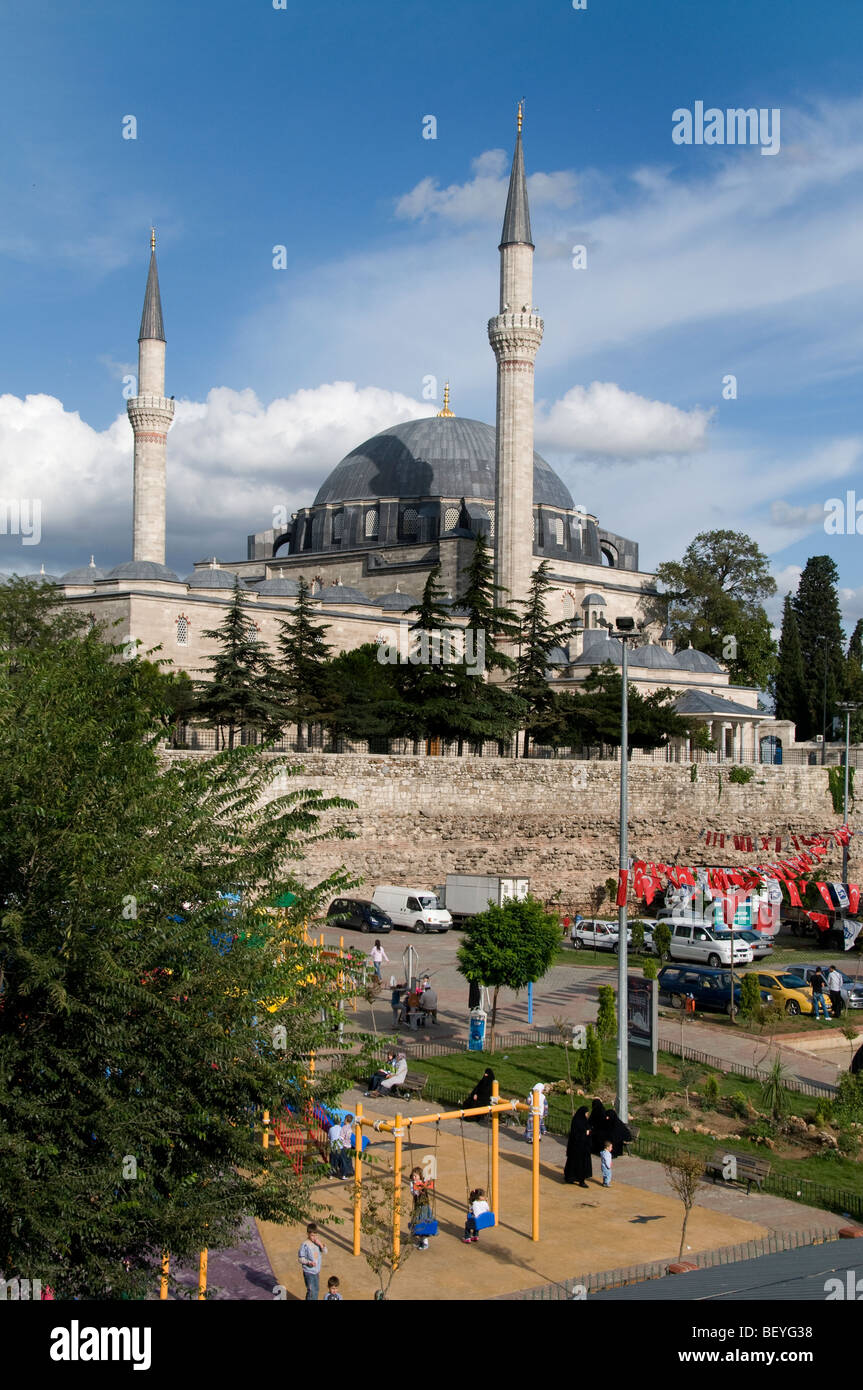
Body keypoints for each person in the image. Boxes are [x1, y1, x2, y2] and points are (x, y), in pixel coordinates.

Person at [564, 1107, 593, 1187]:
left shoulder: (581, 1121)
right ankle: (579, 1180)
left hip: (581, 1148)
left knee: (575, 1163)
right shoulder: (577, 1122)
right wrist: (585, 1133)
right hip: (578, 1148)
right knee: (579, 1164)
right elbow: (576, 1134)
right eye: (586, 1113)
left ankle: (572, 1177)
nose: (587, 1115)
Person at [297, 1223, 327, 1300]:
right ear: (308, 1234)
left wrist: (321, 1245)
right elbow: (300, 1259)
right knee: (311, 1291)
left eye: (316, 1235)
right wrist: (308, 1262)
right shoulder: (305, 1245)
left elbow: (325, 1251)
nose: (314, 1237)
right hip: (308, 1272)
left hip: (316, 1272)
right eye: (312, 1235)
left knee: (316, 1290)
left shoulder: (317, 1243)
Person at [409, 1166, 433, 1250]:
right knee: (417, 1223)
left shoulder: (423, 1182)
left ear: (420, 1176)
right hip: (417, 1205)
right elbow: (413, 1192)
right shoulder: (413, 1183)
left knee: (423, 1222)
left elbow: (429, 1183)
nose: (414, 1177)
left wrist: (422, 1185)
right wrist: (416, 1189)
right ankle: (420, 1240)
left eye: (416, 1176)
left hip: (424, 1206)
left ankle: (425, 1242)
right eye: (413, 1176)